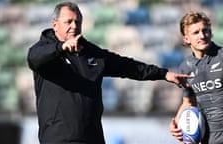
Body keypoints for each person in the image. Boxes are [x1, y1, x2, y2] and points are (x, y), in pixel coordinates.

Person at [27, 2, 190, 144]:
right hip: (58, 139)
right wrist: (61, 48)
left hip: (93, 138)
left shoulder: (90, 52)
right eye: (68, 22)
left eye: (77, 21)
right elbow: (34, 58)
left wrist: (163, 74)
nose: (74, 26)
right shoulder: (44, 52)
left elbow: (128, 66)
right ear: (55, 25)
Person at [169, 11, 223, 144]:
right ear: (186, 39)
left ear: (211, 33)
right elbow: (188, 102)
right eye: (196, 32)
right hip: (208, 138)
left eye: (205, 31)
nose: (202, 36)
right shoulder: (186, 67)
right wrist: (176, 123)